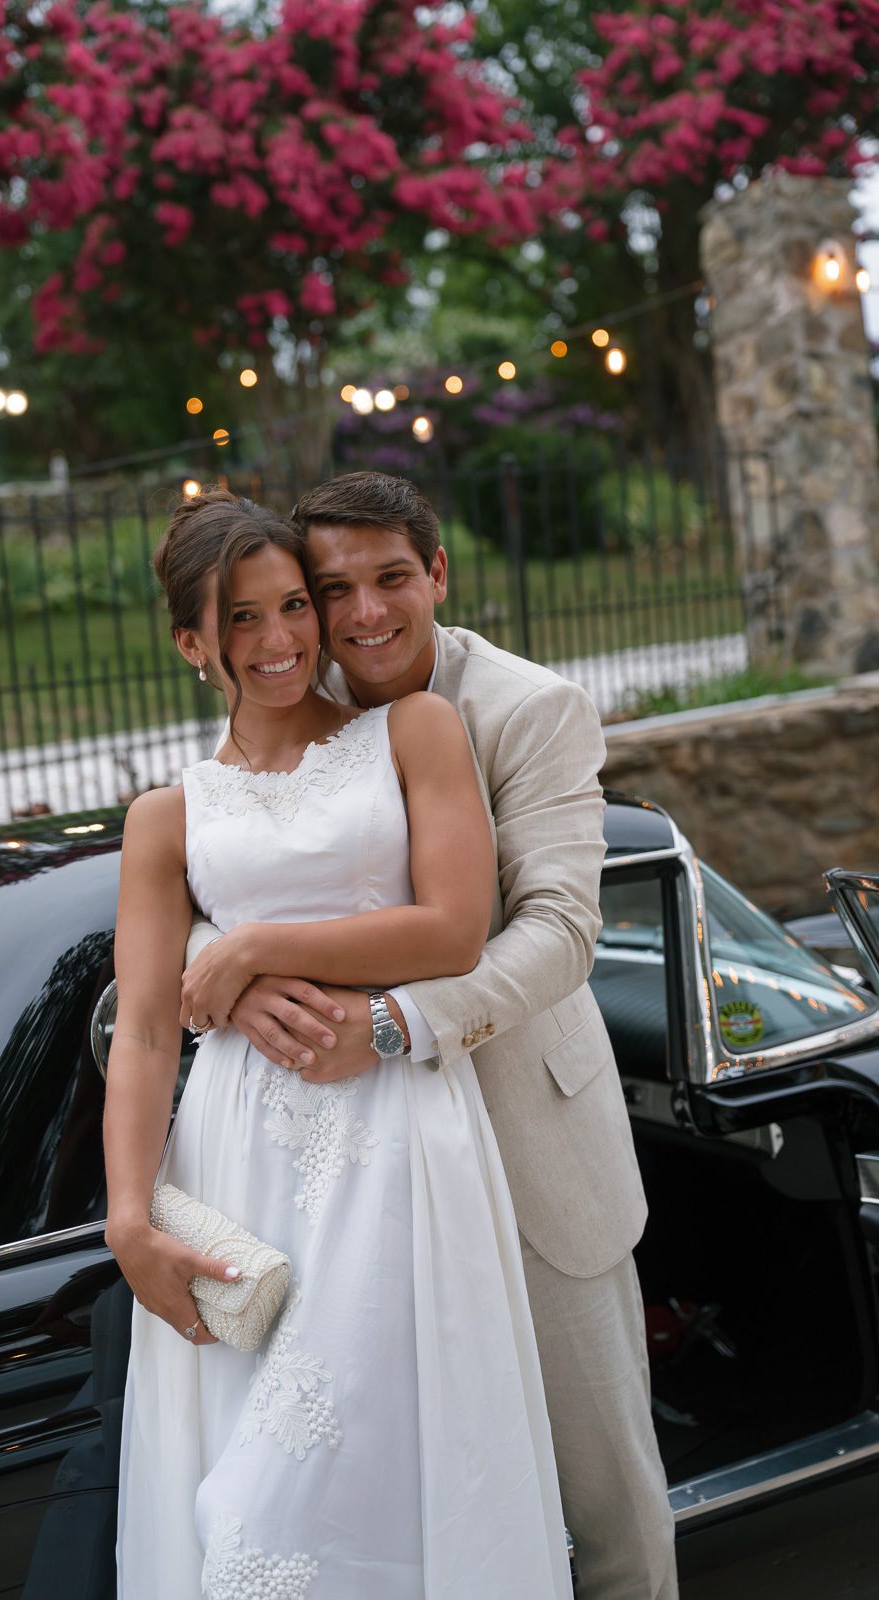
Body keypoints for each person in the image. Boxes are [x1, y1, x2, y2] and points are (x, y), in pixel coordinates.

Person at [186, 472, 678, 1599]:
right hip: (352, 1188)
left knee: (609, 1515)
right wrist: (227, 967)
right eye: (331, 588)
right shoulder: (282, 697)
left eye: (390, 579)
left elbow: (558, 930)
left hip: (522, 1152)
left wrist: (393, 1023)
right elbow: (211, 868)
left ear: (438, 573)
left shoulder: (525, 707)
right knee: (410, 1513)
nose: (360, 614)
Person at [105, 489, 572, 1599]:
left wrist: (252, 943)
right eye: (241, 621)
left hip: (395, 1136)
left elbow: (454, 929)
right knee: (243, 1466)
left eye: (291, 607)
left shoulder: (412, 732)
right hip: (236, 1156)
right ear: (189, 644)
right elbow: (140, 1027)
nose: (280, 642)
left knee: (347, 1468)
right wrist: (128, 1217)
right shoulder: (165, 818)